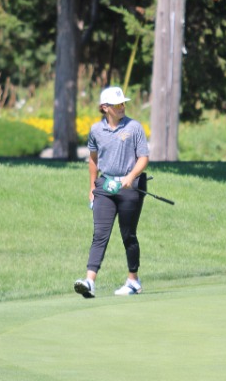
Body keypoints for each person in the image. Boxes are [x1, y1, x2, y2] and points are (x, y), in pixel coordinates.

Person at [74, 86, 149, 298]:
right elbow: (93, 159)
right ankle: (89, 282)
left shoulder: (134, 127)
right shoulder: (96, 130)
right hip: (105, 187)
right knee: (100, 234)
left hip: (130, 187)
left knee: (128, 234)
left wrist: (131, 176)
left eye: (123, 103)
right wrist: (92, 187)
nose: (122, 107)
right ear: (105, 107)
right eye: (117, 105)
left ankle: (133, 280)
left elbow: (143, 158)